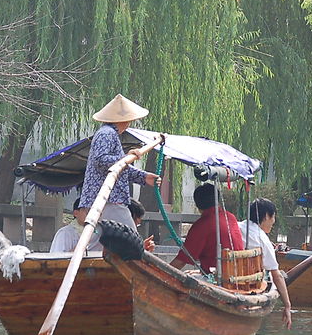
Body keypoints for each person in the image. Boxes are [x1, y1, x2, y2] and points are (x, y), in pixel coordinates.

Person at [81, 94, 161, 252]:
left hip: (103, 200)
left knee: (98, 242)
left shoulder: (109, 134)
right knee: (131, 239)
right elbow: (101, 160)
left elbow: (119, 167)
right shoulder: (106, 134)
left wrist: (143, 177)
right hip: (108, 199)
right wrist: (125, 157)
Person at [238, 198, 293, 328]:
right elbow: (277, 276)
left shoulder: (237, 226)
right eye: (273, 217)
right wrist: (287, 305)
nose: (273, 221)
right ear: (267, 216)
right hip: (248, 285)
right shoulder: (262, 239)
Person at [170, 183, 244, 274]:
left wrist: (160, 273)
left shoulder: (202, 226)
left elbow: (181, 261)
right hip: (239, 272)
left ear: (198, 205)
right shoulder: (231, 217)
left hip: (221, 278)